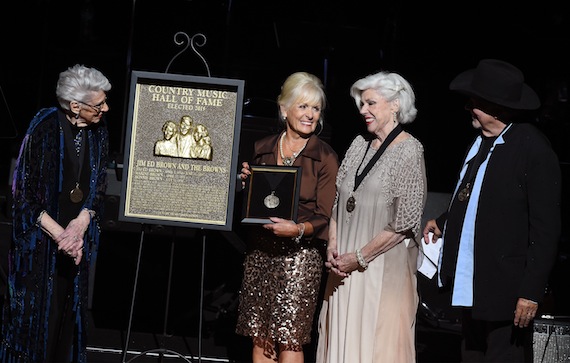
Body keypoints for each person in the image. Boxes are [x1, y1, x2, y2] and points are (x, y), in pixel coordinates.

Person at [422, 59, 561, 362]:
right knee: (471, 354)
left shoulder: (532, 149)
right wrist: (444, 222)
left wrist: (531, 291)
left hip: (507, 290)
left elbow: (546, 228)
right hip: (476, 284)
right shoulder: (481, 143)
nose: (468, 107)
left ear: (495, 107)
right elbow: (477, 199)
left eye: (474, 102)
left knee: (503, 355)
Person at [0, 64, 111, 363]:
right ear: (75, 105)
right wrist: (62, 235)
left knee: (68, 321)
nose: (106, 108)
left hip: (75, 244)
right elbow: (23, 196)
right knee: (37, 326)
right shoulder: (45, 126)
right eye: (99, 104)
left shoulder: (99, 132)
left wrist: (81, 224)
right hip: (40, 248)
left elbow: (99, 185)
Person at [316, 70, 427, 362]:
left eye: (371, 103)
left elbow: (404, 222)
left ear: (395, 105)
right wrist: (333, 246)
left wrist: (360, 257)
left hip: (378, 270)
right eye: (361, 104)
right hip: (343, 270)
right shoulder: (358, 145)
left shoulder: (409, 150)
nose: (363, 111)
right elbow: (340, 201)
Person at [235, 72, 339, 363]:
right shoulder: (263, 148)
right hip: (260, 253)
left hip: (300, 258)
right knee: (261, 335)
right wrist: (248, 182)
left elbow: (326, 217)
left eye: (316, 108)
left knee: (289, 338)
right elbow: (255, 206)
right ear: (284, 109)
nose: (310, 115)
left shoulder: (325, 157)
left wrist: (298, 230)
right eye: (303, 106)